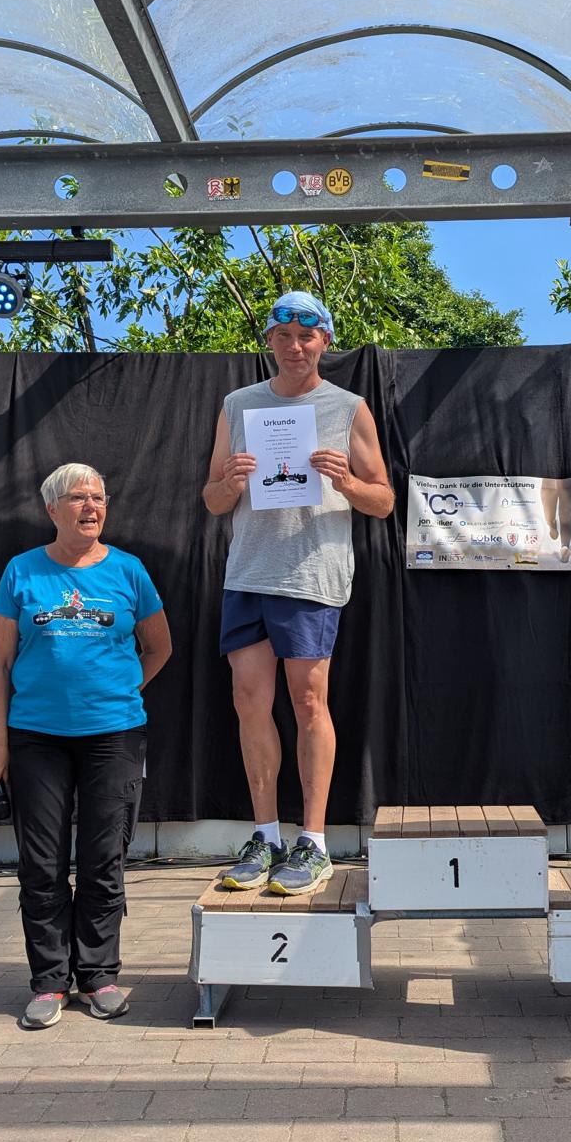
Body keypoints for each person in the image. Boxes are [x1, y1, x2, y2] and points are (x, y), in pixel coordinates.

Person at [202, 290, 393, 896]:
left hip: (311, 575)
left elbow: (384, 501)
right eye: (283, 336)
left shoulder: (348, 407)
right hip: (247, 573)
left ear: (324, 341)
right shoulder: (237, 405)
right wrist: (230, 482)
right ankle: (266, 834)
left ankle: (314, 840)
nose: (294, 346)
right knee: (248, 702)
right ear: (269, 341)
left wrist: (347, 481)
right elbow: (211, 499)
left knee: (309, 702)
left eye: (306, 336)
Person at [0, 463, 172, 1030]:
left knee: (102, 858)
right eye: (78, 498)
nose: (91, 506)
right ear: (52, 509)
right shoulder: (21, 571)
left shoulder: (129, 571)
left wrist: (120, 690)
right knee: (41, 864)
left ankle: (99, 976)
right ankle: (49, 982)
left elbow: (159, 648)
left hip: (113, 736)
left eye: (99, 497)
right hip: (35, 737)